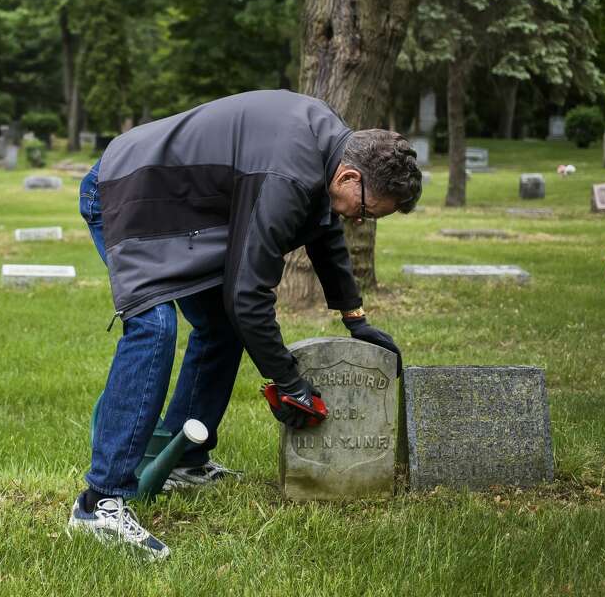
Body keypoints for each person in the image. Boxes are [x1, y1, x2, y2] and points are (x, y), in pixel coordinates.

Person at [66, 90, 422, 559]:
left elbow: (324, 233)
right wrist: (288, 380)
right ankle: (99, 503)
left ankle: (183, 461)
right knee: (153, 328)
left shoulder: (331, 148)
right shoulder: (290, 172)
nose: (357, 220)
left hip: (184, 209)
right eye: (363, 211)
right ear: (350, 176)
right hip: (128, 191)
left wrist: (355, 318)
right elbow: (247, 296)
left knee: (220, 329)